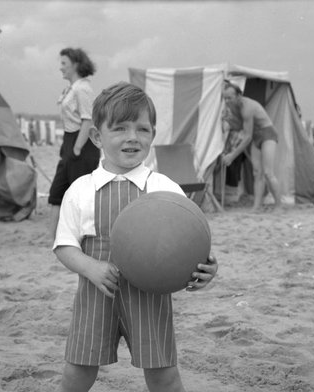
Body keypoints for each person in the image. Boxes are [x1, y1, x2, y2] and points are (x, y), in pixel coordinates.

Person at [53, 82, 218, 392]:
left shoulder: (164, 188)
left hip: (150, 296)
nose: (132, 137)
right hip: (96, 293)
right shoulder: (81, 190)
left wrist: (207, 268)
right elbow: (63, 245)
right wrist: (91, 267)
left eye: (142, 129)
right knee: (78, 370)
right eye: (120, 128)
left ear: (153, 135)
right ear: (97, 136)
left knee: (163, 375)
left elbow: (191, 240)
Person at [47, 48, 101, 243]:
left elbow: (88, 120)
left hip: (81, 144)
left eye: (63, 63)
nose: (60, 67)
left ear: (75, 65)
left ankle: (82, 236)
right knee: (58, 191)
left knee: (81, 194)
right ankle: (52, 236)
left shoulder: (82, 89)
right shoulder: (71, 88)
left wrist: (77, 148)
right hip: (70, 141)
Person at [220, 80, 282, 211]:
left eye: (229, 98)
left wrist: (232, 156)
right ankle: (256, 206)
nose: (227, 101)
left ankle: (279, 206)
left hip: (267, 134)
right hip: (256, 137)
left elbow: (247, 136)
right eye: (225, 98)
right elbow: (237, 126)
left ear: (238, 96)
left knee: (268, 173)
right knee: (256, 173)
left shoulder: (247, 107)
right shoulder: (233, 107)